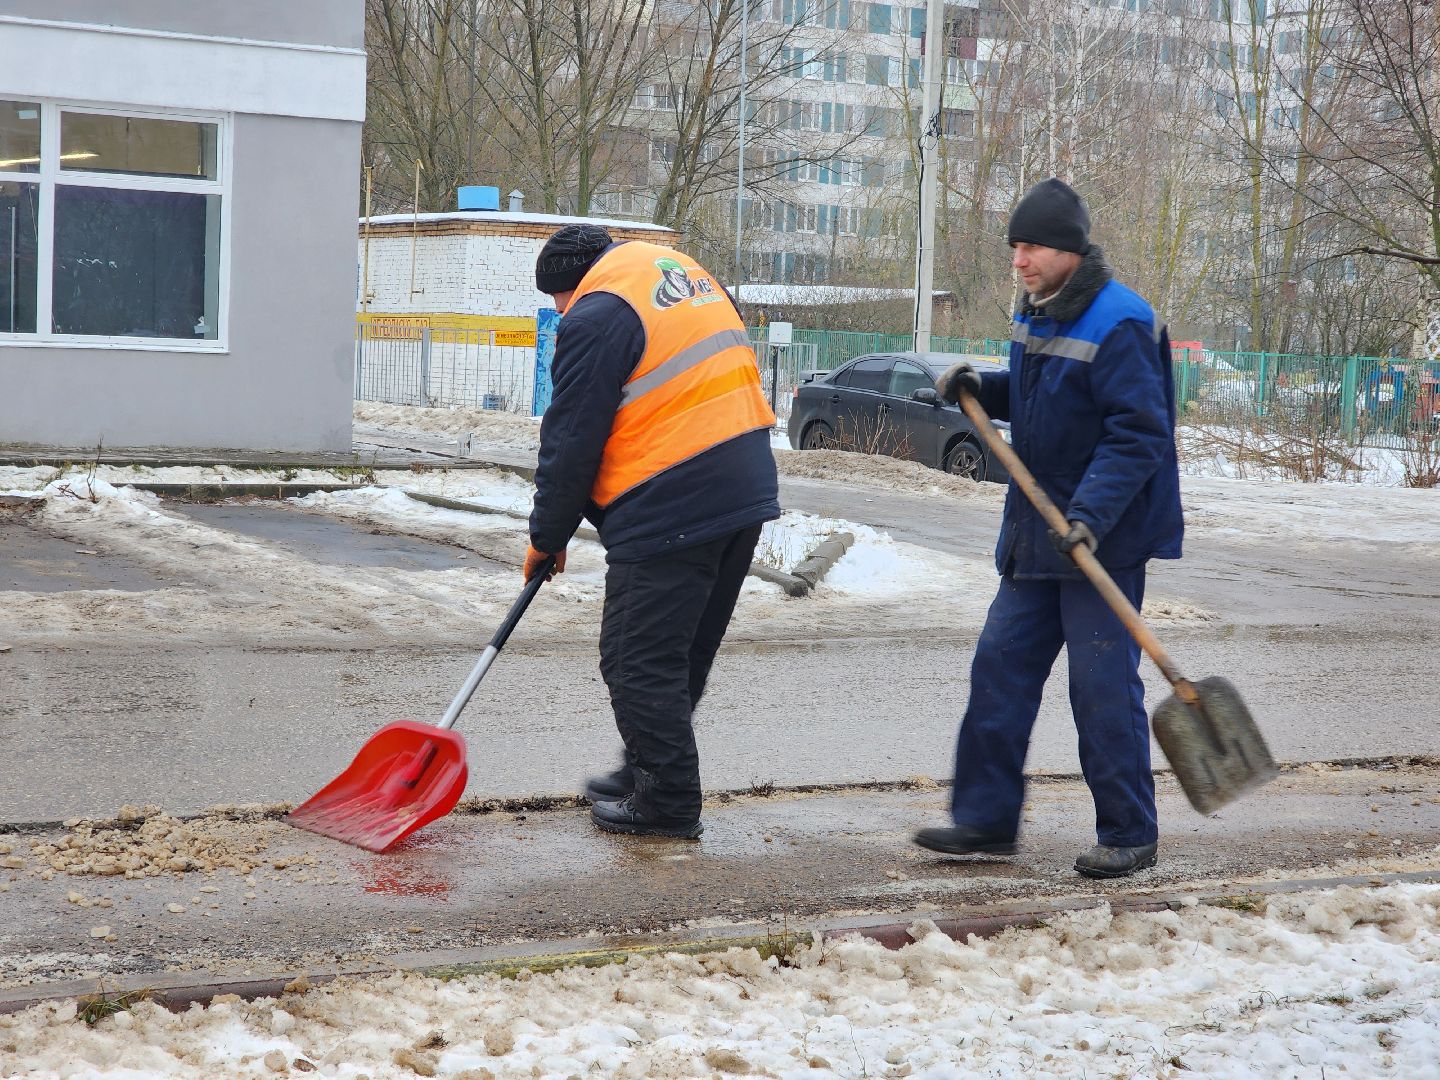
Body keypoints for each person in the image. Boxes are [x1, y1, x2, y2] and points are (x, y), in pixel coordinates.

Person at [913, 178, 1184, 878]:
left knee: (1099, 688)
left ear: (1067, 249)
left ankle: (1128, 831)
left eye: (1030, 246)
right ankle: (983, 820)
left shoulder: (1121, 322)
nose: (1019, 260)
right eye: (1015, 247)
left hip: (1104, 536)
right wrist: (984, 388)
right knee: (999, 670)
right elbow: (1040, 401)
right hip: (1037, 530)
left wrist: (1091, 516)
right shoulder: (1037, 312)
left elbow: (1137, 435)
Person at [525, 224, 780, 839]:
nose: (561, 313)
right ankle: (646, 770)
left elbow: (571, 438)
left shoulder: (596, 313)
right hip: (743, 487)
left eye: (556, 300)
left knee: (636, 659)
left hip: (674, 497)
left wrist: (547, 535)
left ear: (569, 285)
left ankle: (667, 803)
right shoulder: (675, 272)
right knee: (679, 653)